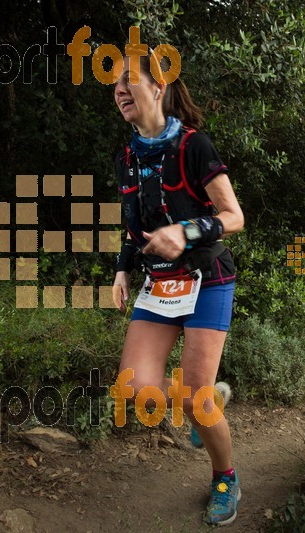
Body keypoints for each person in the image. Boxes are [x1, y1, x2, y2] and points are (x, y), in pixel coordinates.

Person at [111, 49, 245, 527]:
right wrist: (123, 268)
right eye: (115, 85)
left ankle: (225, 477)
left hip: (208, 279)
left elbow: (234, 217)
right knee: (134, 389)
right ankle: (206, 399)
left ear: (157, 87)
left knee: (195, 400)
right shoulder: (127, 154)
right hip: (160, 284)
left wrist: (185, 232)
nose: (120, 90)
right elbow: (133, 224)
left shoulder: (194, 145)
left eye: (129, 80)